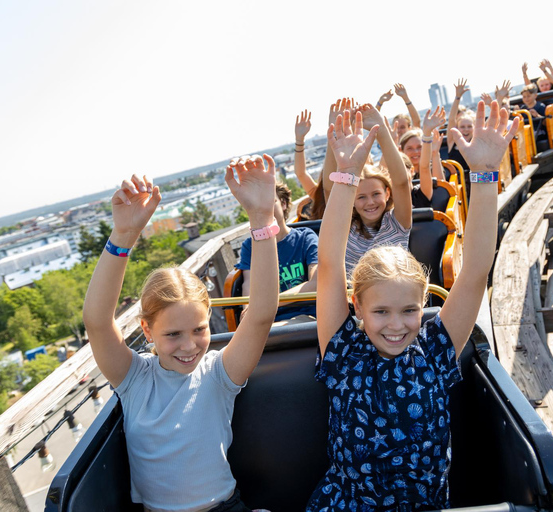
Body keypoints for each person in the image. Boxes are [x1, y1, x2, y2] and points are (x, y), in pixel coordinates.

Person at [307, 102, 519, 511]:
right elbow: (331, 264)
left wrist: (485, 174)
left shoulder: (435, 348)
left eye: (409, 311)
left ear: (424, 304)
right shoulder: (344, 352)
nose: (396, 325)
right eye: (381, 312)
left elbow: (476, 269)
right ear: (357, 308)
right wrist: (345, 176)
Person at [83, 158, 280, 512]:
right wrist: (123, 237)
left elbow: (261, 313)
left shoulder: (218, 374)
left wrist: (262, 218)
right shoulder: (134, 380)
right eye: (173, 334)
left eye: (199, 330)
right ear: (147, 329)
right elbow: (97, 322)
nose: (189, 346)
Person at [337, 103, 413, 276]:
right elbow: (328, 190)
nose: (370, 202)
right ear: (352, 201)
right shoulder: (347, 227)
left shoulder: (396, 222)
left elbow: (401, 182)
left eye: (376, 194)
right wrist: (336, 135)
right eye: (361, 197)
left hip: (394, 290)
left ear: (387, 194)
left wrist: (381, 130)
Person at [236, 181, 318, 323]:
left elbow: (316, 283)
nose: (264, 210)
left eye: (269, 202)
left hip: (306, 315)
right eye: (257, 206)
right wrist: (249, 313)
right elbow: (249, 284)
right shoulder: (250, 246)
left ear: (283, 204)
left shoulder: (305, 238)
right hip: (268, 320)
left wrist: (266, 304)